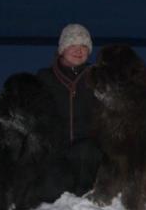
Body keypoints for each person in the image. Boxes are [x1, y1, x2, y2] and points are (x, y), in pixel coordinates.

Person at [37, 23, 102, 196]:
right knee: (49, 192)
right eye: (73, 45)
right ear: (62, 49)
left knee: (87, 152)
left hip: (88, 151)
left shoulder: (99, 77)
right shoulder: (45, 77)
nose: (78, 50)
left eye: (83, 46)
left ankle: (84, 189)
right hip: (56, 148)